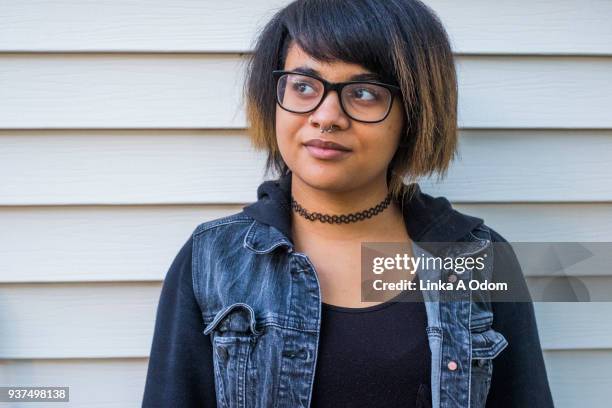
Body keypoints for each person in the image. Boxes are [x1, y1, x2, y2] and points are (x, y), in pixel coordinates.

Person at [142, 0, 554, 407]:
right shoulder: (213, 260)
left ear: (414, 113)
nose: (326, 116)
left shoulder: (478, 259)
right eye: (303, 86)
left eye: (363, 93)